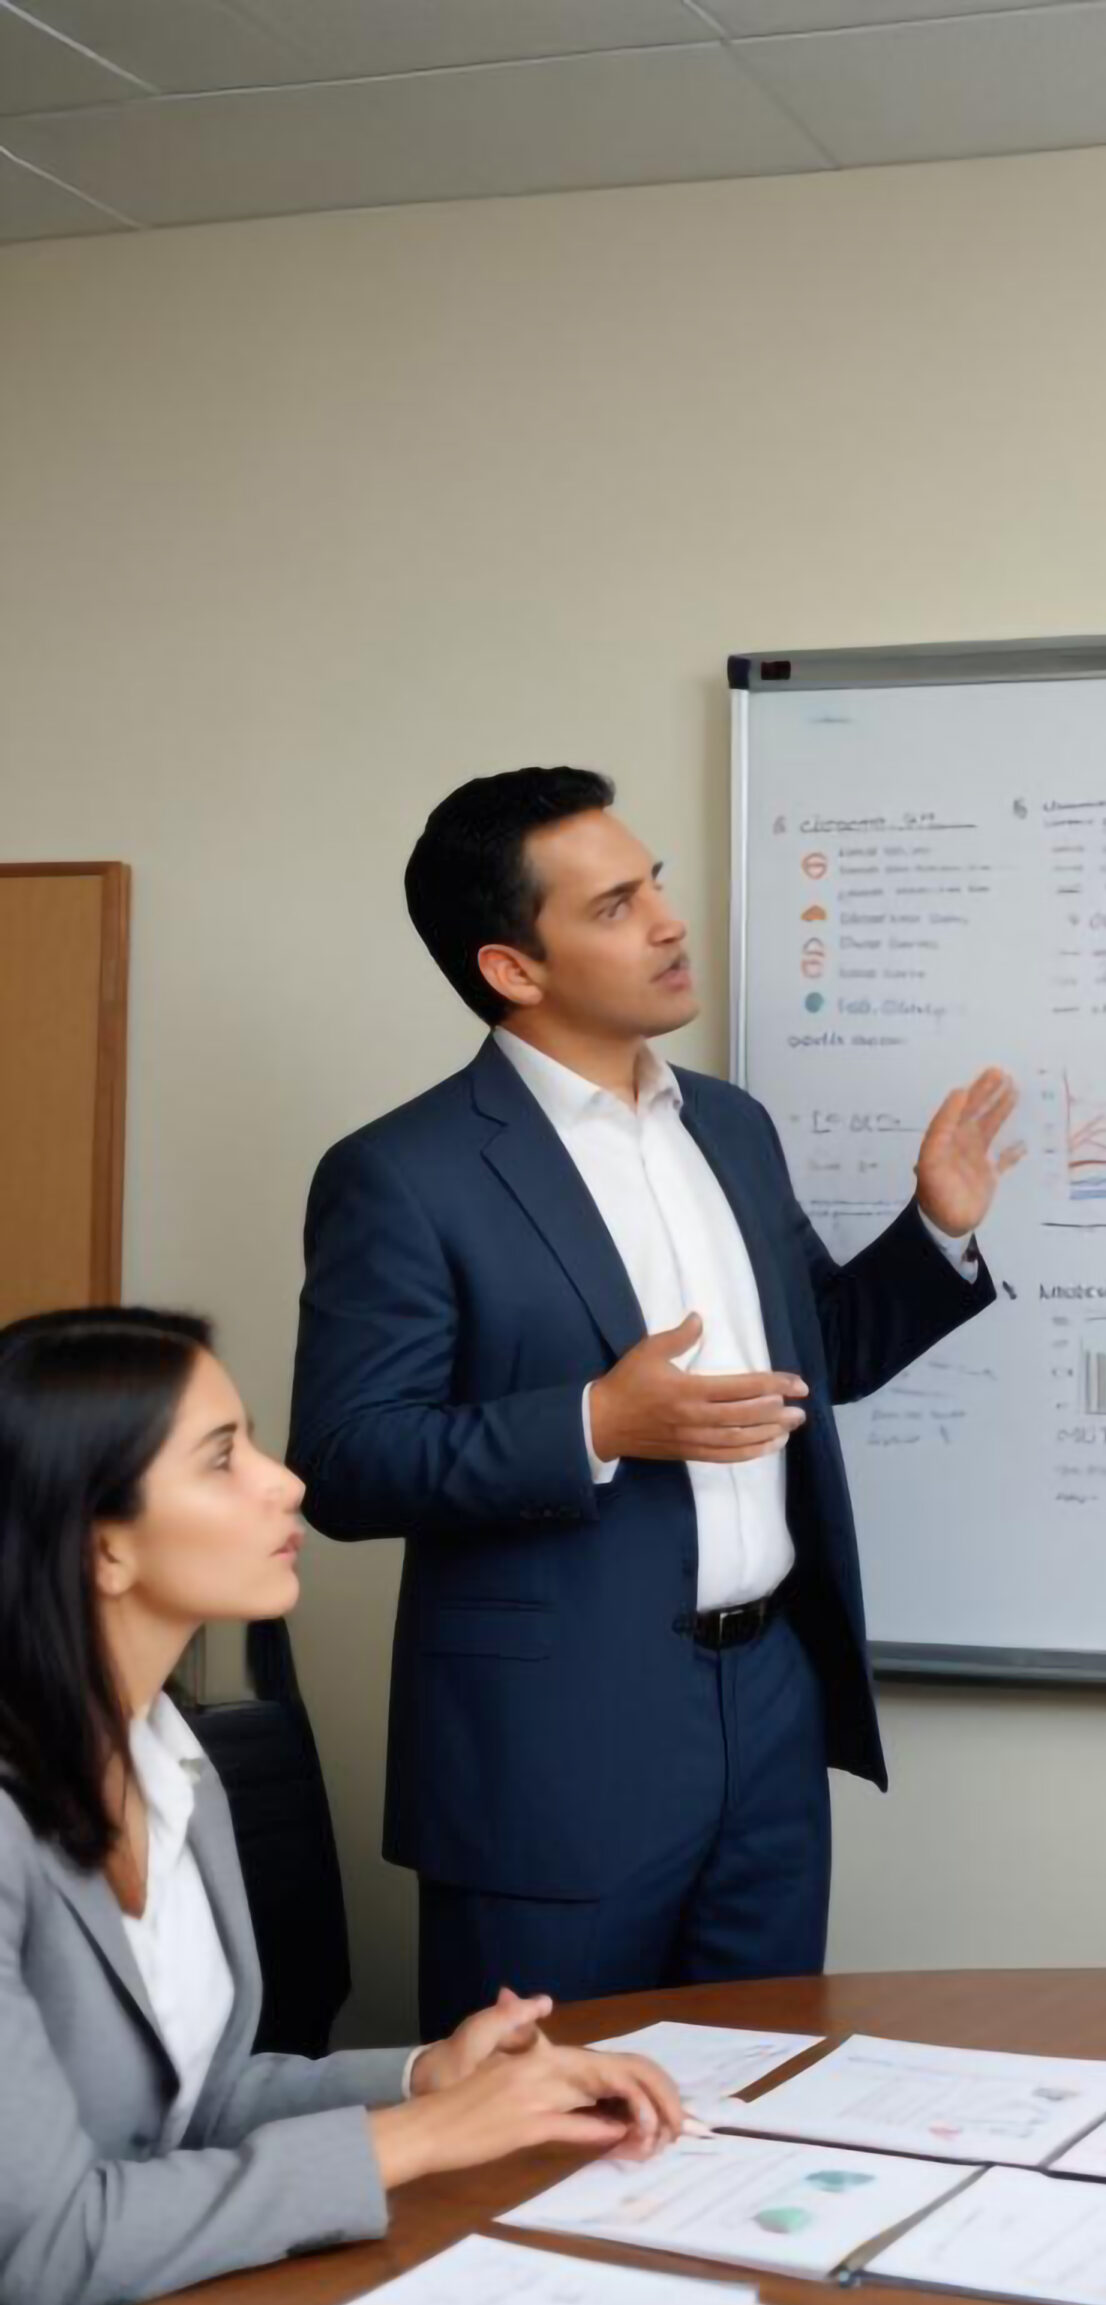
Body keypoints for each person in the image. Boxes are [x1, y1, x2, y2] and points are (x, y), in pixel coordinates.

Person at [289, 768, 1021, 2036]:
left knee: (756, 2095)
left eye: (657, 883)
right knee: (536, 2137)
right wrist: (593, 1425)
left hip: (768, 1710)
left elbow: (814, 1361)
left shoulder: (729, 1129)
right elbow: (347, 1462)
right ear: (515, 968)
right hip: (550, 1744)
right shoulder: (400, 1174)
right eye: (618, 905)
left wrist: (935, 1236)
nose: (670, 921)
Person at [0, 1306, 685, 2305]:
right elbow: (51, 2249)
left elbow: (194, 2101)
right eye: (224, 1458)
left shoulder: (176, 1768)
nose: (287, 1484)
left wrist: (429, 2076)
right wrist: (416, 2141)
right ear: (99, 1545)